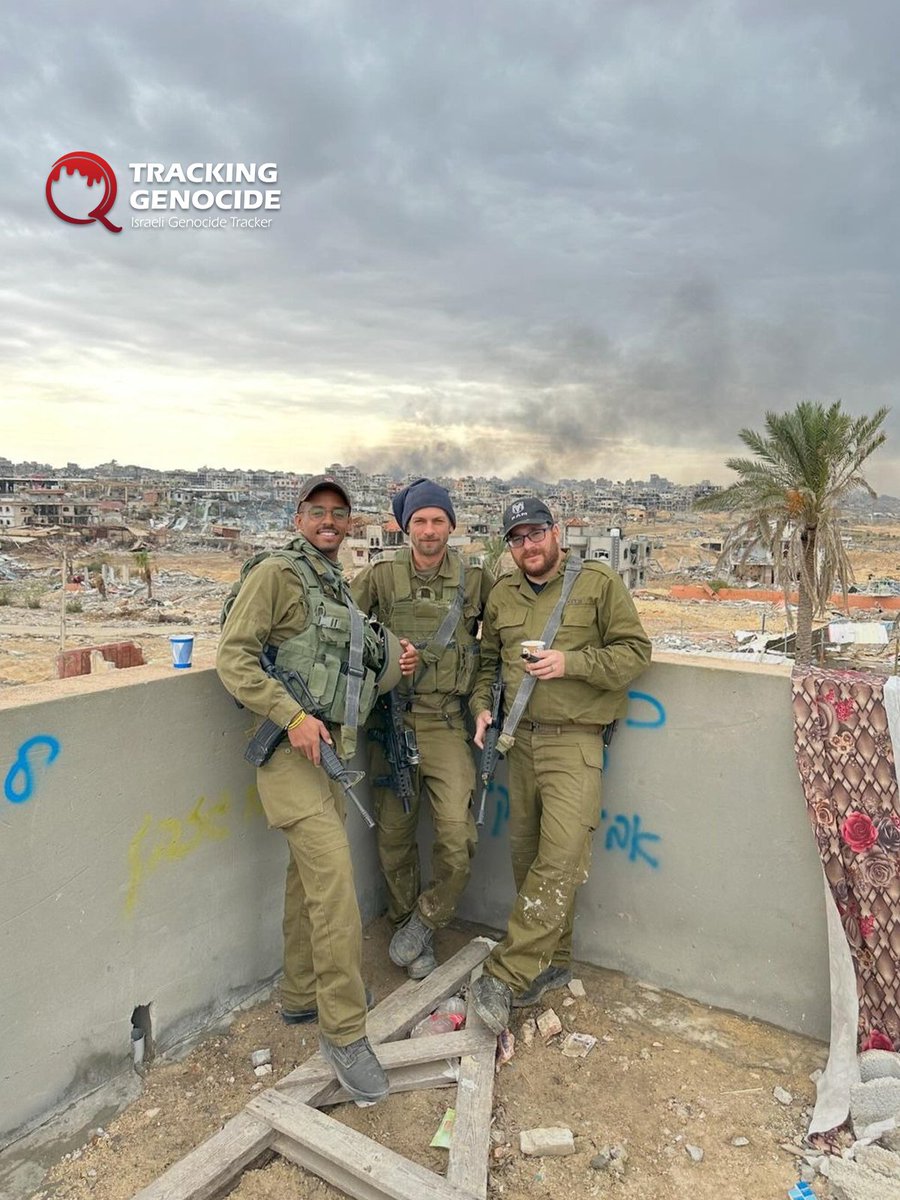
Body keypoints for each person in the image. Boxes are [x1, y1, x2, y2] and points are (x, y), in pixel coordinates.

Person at [216, 474, 418, 1103]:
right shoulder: (275, 574)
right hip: (287, 755)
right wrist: (294, 717)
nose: (329, 521)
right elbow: (234, 659)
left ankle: (301, 993)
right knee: (336, 892)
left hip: (329, 753)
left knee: (307, 879)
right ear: (298, 516)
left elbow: (348, 674)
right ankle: (344, 1032)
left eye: (339, 513)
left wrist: (395, 664)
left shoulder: (334, 585)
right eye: (317, 512)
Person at [468, 497, 652, 1034]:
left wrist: (570, 663)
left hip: (575, 744)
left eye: (536, 533)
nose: (529, 545)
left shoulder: (595, 583)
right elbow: (488, 666)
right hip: (517, 744)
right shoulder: (502, 594)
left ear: (557, 533)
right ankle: (552, 962)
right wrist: (482, 706)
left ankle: (503, 975)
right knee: (528, 862)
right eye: (517, 538)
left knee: (561, 859)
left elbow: (636, 653)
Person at [351, 479, 493, 978]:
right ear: (404, 526)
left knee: (458, 835)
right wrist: (388, 654)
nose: (428, 531)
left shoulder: (476, 582)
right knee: (394, 836)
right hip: (392, 719)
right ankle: (402, 924)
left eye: (437, 521)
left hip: (446, 722)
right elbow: (345, 634)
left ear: (451, 526)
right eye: (419, 522)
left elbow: (491, 654)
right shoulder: (380, 577)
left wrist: (480, 705)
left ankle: (426, 921)